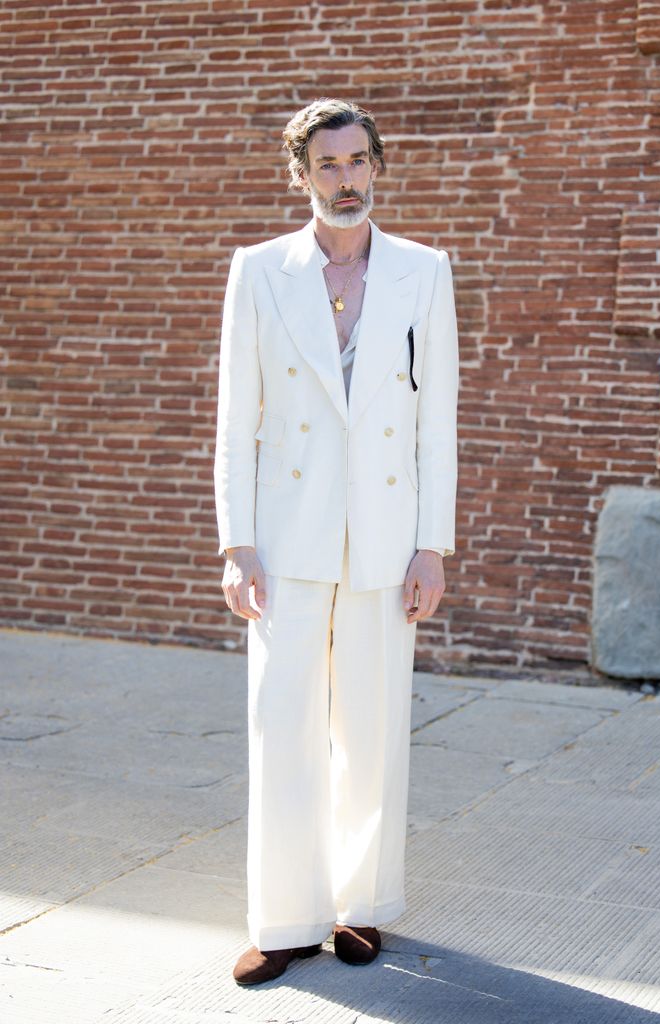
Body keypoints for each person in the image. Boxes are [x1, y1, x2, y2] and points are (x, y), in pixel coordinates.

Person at [214, 98, 459, 986]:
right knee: (282, 725)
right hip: (284, 535)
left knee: (373, 727)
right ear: (300, 174)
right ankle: (283, 917)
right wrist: (236, 543)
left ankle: (360, 906)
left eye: (359, 162)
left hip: (387, 539)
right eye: (328, 165)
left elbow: (437, 421)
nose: (347, 179)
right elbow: (237, 419)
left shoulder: (423, 272)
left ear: (376, 168)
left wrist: (432, 544)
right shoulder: (259, 270)